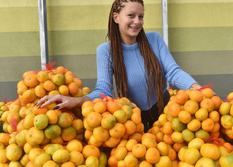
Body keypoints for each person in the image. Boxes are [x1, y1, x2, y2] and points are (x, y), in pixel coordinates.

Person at [36, 0, 201, 132]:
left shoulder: (154, 40)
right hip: (132, 119)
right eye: (131, 15)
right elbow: (103, 90)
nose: (137, 21)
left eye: (141, 16)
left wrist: (198, 89)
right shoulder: (106, 51)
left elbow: (173, 72)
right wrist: (78, 100)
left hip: (166, 111)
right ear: (116, 17)